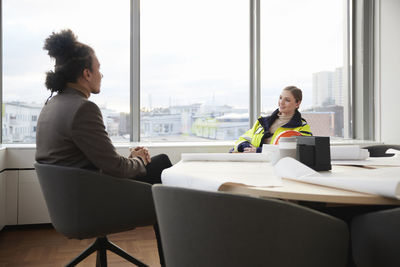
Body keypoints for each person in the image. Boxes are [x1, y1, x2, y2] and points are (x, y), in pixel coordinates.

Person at [35, 29, 171, 266]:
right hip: (91, 205)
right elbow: (115, 169)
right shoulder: (82, 108)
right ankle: (175, 257)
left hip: (72, 203)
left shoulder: (51, 106)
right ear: (86, 73)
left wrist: (132, 159)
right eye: (98, 68)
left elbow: (95, 163)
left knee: (155, 164)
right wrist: (140, 161)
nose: (101, 74)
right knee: (161, 168)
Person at [232, 86, 312, 153]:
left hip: (279, 166)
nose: (281, 102)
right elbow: (243, 139)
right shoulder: (261, 122)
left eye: (287, 100)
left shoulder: (302, 127)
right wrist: (246, 148)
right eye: (280, 98)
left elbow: (298, 151)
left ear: (297, 103)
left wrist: (259, 151)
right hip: (254, 163)